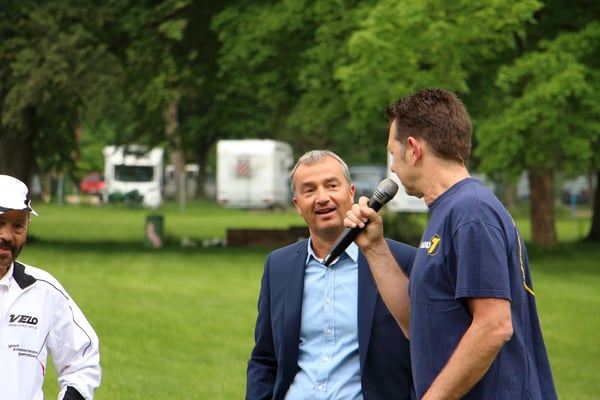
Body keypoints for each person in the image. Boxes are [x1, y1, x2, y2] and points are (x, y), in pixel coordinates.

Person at [344, 88, 558, 399]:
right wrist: (374, 248)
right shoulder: (450, 210)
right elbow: (416, 323)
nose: (392, 168)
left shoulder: (471, 212)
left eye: (393, 153)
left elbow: (494, 326)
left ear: (413, 149)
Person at [246, 150, 416, 400]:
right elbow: (264, 358)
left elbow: (423, 353)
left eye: (332, 186)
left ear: (351, 192)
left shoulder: (402, 261)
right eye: (309, 190)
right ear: (297, 205)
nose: (322, 198)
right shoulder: (278, 266)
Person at [0, 175, 101, 399]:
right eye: (0, 223)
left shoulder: (44, 291)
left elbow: (83, 360)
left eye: (17, 226)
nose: (6, 236)